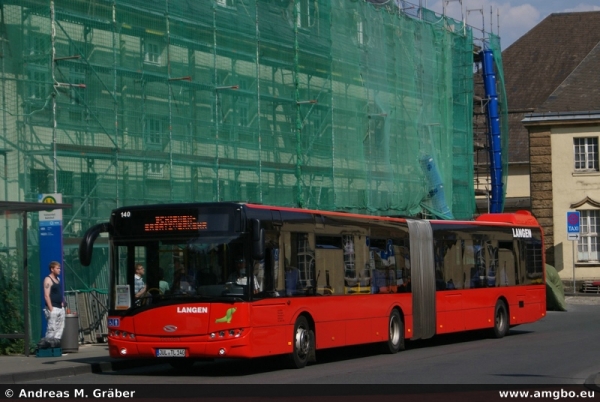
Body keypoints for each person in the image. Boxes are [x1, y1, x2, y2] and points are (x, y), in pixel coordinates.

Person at [43, 261, 65, 341]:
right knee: (51, 329)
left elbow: (59, 292)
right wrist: (51, 309)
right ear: (52, 269)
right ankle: (48, 346)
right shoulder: (48, 280)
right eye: (58, 268)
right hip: (53, 308)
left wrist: (62, 303)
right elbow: (46, 295)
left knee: (59, 329)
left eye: (60, 268)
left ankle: (55, 345)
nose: (59, 270)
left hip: (60, 307)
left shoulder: (57, 279)